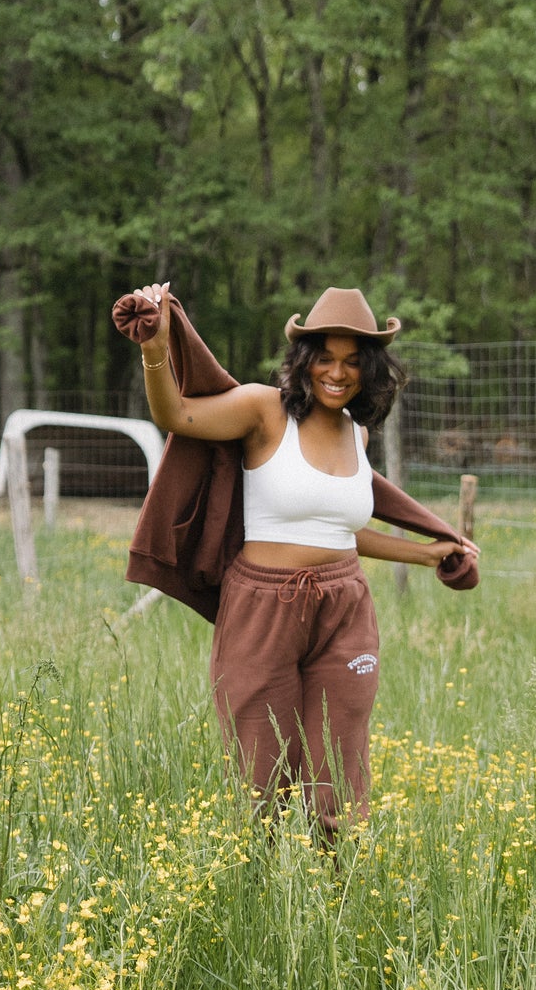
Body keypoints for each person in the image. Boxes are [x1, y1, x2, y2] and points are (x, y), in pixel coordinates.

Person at [129, 281, 478, 830]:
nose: (337, 373)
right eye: (326, 359)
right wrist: (155, 348)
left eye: (352, 362)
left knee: (340, 766)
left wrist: (426, 553)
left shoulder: (356, 434)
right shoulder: (263, 410)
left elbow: (339, 530)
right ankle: (267, 892)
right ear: (304, 360)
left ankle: (335, 894)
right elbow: (176, 415)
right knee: (262, 773)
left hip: (344, 606)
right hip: (263, 605)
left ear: (371, 371)